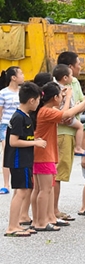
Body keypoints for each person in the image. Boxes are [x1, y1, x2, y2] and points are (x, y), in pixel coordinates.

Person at [34, 83, 85, 232]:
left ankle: (49, 218)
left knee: (48, 188)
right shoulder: (46, 111)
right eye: (60, 96)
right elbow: (66, 114)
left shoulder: (48, 110)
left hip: (48, 154)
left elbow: (65, 112)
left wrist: (68, 98)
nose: (62, 98)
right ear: (55, 97)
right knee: (44, 190)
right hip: (43, 155)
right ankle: (41, 222)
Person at [4, 82, 42, 238]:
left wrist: (34, 140)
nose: (38, 103)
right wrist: (35, 143)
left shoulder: (24, 116)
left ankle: (16, 223)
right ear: (32, 100)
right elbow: (13, 141)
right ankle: (12, 227)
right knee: (21, 191)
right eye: (38, 100)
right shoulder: (19, 117)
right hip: (19, 159)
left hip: (24, 158)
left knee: (20, 191)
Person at [0, 66, 25, 195]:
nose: (23, 75)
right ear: (13, 77)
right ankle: (6, 184)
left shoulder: (23, 92)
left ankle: (18, 182)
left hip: (20, 125)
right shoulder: (3, 93)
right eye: (21, 73)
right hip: (6, 125)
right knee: (7, 153)